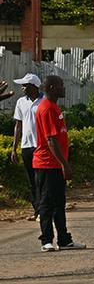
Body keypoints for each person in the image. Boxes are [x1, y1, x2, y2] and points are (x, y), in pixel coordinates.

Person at [33, 75, 86, 253]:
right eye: (61, 85)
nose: (64, 88)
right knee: (46, 204)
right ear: (52, 87)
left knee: (59, 204)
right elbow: (51, 141)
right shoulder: (47, 108)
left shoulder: (54, 107)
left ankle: (64, 239)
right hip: (47, 164)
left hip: (54, 165)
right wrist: (64, 164)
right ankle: (46, 240)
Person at [10, 73, 44, 220]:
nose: (22, 87)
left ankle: (44, 210)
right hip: (26, 147)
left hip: (41, 146)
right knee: (31, 180)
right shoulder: (21, 102)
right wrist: (14, 149)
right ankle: (37, 210)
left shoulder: (44, 102)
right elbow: (18, 126)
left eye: (25, 85)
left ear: (33, 86)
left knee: (41, 179)